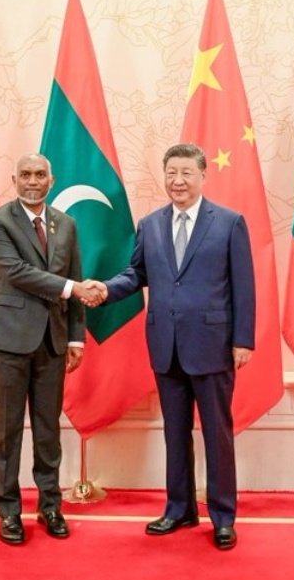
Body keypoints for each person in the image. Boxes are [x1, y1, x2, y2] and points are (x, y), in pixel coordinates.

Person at [88, 143, 254, 551]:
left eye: (186, 173)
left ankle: (222, 516)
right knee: (174, 433)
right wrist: (104, 290)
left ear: (203, 176)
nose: (178, 181)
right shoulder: (150, 224)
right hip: (165, 344)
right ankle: (178, 508)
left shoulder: (229, 222)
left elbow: (244, 287)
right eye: (171, 173)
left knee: (217, 434)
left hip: (213, 344)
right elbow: (136, 274)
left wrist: (243, 340)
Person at [0, 152, 101, 545]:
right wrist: (71, 289)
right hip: (8, 343)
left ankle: (51, 505)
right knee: (7, 432)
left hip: (52, 341)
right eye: (25, 175)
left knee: (48, 431)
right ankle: (9, 512)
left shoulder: (66, 224)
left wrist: (75, 337)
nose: (33, 181)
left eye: (40, 175)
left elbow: (75, 276)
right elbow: (16, 272)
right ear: (14, 180)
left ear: (53, 180)